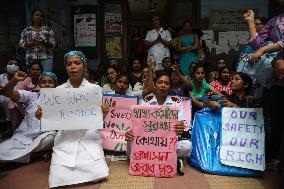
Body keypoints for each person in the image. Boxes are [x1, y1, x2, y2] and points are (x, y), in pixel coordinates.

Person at [36, 51, 109, 188]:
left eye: (77, 63)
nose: (73, 67)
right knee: (59, 177)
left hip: (88, 135)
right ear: (66, 68)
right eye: (69, 64)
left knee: (98, 174)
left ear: (84, 66)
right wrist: (42, 116)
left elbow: (98, 120)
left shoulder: (95, 89)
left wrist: (104, 113)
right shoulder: (58, 91)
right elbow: (51, 119)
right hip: (66, 136)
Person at [125, 72, 192, 175]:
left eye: (166, 83)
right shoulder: (145, 101)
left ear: (170, 86)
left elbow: (181, 123)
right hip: (147, 143)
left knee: (187, 146)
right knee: (130, 140)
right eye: (160, 82)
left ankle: (164, 159)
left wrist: (181, 126)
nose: (163, 86)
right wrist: (130, 132)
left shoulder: (176, 102)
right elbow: (137, 125)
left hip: (167, 144)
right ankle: (171, 160)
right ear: (155, 85)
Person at [0, 71, 57, 163]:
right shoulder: (32, 96)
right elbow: (7, 93)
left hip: (42, 138)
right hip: (23, 137)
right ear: (39, 84)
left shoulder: (61, 101)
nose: (47, 84)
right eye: (43, 82)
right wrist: (14, 80)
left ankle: (26, 155)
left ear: (55, 85)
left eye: (50, 82)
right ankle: (35, 155)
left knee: (52, 137)